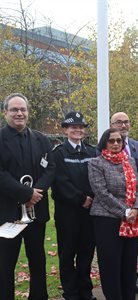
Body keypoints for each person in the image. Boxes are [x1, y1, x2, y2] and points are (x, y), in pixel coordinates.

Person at [0, 93, 55, 300]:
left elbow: (50, 168)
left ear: (28, 112)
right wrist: (26, 193)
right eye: (14, 109)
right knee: (5, 265)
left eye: (23, 109)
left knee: (38, 261)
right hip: (7, 215)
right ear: (5, 112)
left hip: (35, 213)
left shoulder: (41, 138)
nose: (19, 113)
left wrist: (35, 194)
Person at [88, 128, 138, 300]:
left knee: (129, 265)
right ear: (104, 142)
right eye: (111, 141)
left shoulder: (130, 161)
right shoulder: (96, 163)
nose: (115, 144)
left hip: (131, 219)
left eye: (119, 141)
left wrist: (136, 209)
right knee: (110, 266)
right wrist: (125, 212)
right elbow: (102, 193)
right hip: (107, 220)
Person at [51, 111, 97, 300]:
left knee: (86, 253)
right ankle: (70, 293)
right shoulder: (58, 153)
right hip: (68, 213)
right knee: (67, 253)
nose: (77, 130)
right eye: (73, 127)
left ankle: (85, 291)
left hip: (89, 213)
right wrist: (82, 199)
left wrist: (92, 198)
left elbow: (96, 178)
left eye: (81, 127)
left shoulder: (92, 151)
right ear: (65, 129)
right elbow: (60, 182)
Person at [110, 112, 138, 294]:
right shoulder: (105, 148)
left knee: (133, 247)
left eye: (126, 122)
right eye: (119, 122)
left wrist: (136, 200)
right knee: (116, 249)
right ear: (112, 124)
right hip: (113, 208)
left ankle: (133, 279)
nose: (123, 125)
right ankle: (119, 282)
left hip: (134, 207)